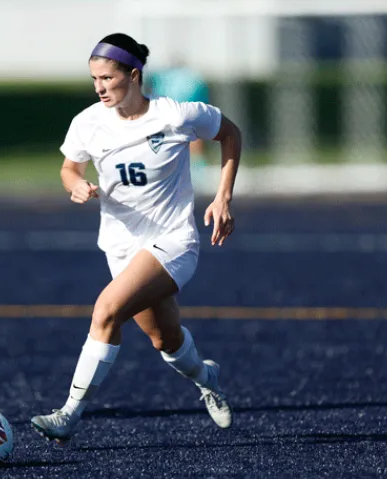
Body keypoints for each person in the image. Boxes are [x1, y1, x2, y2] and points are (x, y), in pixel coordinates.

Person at [31, 33, 241, 444]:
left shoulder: (176, 114)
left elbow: (230, 134)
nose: (100, 87)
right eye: (94, 79)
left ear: (134, 74)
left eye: (108, 78)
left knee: (106, 309)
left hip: (175, 241)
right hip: (121, 246)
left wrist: (222, 196)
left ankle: (68, 414)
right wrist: (74, 185)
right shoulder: (87, 122)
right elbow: (68, 168)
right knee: (165, 338)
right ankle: (207, 378)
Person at [146, 58, 211, 175]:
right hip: (185, 111)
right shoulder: (192, 77)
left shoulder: (163, 76)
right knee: (193, 139)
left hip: (168, 111)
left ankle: (195, 171)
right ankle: (197, 172)